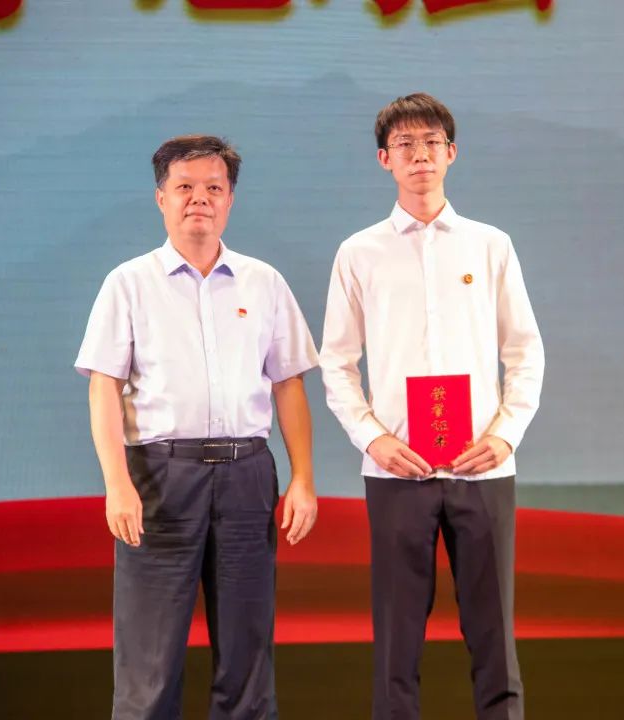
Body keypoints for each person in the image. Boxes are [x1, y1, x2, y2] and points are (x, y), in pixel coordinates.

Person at [75, 135, 319, 720]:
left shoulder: (264, 282)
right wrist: (116, 483)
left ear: (231, 199)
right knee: (151, 662)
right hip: (160, 478)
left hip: (247, 476)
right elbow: (103, 386)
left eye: (214, 187)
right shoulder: (128, 283)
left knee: (247, 655)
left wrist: (304, 479)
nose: (199, 198)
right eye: (184, 187)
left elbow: (288, 384)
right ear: (161, 198)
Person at [319, 93, 544, 720]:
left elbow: (525, 350)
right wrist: (373, 439)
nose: (420, 156)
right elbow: (336, 362)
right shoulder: (358, 252)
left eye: (431, 143)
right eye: (405, 145)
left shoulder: (490, 246)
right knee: (397, 638)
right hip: (397, 470)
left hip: (482, 467)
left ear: (452, 153)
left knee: (494, 635)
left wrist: (504, 435)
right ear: (384, 159)